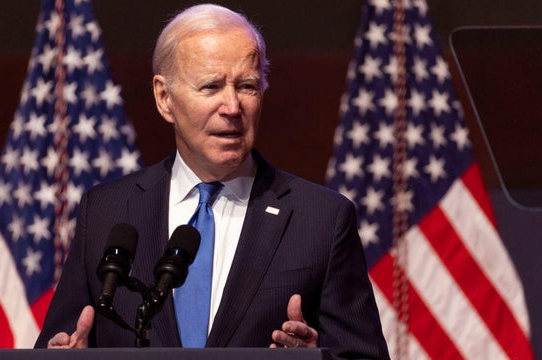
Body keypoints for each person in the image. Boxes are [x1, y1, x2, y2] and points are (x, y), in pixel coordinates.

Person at [35, 3, 389, 358]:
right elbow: (60, 343)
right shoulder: (107, 211)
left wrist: (318, 357)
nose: (233, 106)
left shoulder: (321, 220)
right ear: (164, 98)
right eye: (211, 86)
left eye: (247, 85)